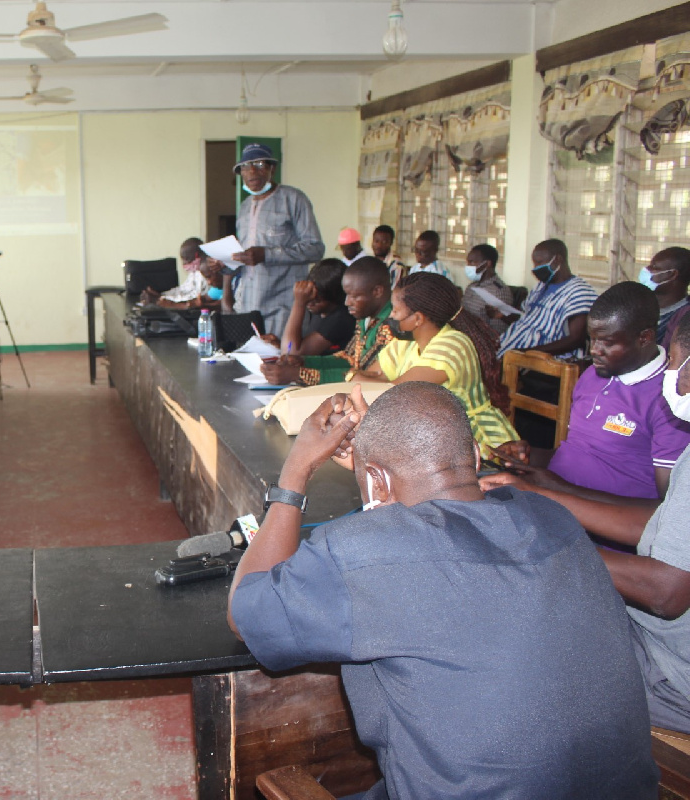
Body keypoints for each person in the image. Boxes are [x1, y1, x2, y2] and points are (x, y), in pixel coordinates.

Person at [228, 381, 658, 799]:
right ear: (472, 455)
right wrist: (378, 479)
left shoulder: (361, 554)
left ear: (377, 482)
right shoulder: (553, 517)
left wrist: (296, 472)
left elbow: (245, 615)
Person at [483, 311, 690, 732]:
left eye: (674, 362)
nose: (673, 377)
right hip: (663, 639)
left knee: (513, 654)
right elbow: (660, 522)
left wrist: (541, 536)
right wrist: (540, 495)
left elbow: (666, 591)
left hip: (671, 671)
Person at [493, 282, 690, 501]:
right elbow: (576, 453)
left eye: (607, 342)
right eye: (592, 339)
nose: (594, 350)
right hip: (552, 499)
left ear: (644, 338)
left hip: (601, 528)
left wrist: (561, 490)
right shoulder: (593, 375)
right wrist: (530, 456)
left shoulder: (672, 400)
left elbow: (664, 511)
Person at [361, 272, 516, 454]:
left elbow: (395, 393)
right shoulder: (405, 344)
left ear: (417, 319)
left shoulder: (452, 345)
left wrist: (355, 377)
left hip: (476, 445)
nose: (391, 316)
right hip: (436, 439)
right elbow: (372, 378)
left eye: (395, 310)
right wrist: (361, 379)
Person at [227, 143, 325, 336]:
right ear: (241, 174)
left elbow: (315, 249)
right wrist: (224, 261)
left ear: (273, 169)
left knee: (281, 361)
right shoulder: (245, 206)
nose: (252, 171)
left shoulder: (294, 199)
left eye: (260, 164)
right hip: (247, 304)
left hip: (283, 305)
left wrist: (268, 254)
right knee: (248, 362)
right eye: (246, 166)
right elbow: (245, 255)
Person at [260, 257, 393, 386]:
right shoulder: (365, 318)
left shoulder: (391, 325)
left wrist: (299, 374)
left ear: (377, 291)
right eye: (347, 295)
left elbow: (365, 374)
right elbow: (349, 359)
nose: (347, 302)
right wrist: (303, 361)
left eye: (354, 296)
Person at [496, 238, 598, 359]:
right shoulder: (541, 286)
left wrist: (528, 352)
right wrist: (502, 315)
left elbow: (576, 339)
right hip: (513, 347)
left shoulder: (579, 292)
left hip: (545, 359)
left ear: (558, 259)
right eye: (534, 263)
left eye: (540, 263)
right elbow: (526, 319)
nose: (535, 268)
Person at [267, 258, 355, 356]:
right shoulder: (320, 311)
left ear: (335, 298)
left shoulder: (340, 319)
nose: (309, 303)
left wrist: (299, 303)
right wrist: (279, 344)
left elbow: (291, 353)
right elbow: (293, 347)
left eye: (317, 300)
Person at [140, 238, 220, 308]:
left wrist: (162, 300)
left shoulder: (208, 272)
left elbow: (194, 298)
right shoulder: (194, 272)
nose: (184, 263)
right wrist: (161, 295)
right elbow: (183, 289)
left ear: (197, 255)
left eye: (186, 258)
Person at [460, 243, 515, 337]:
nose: (468, 266)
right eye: (468, 262)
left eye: (472, 262)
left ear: (487, 264)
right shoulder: (472, 286)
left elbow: (497, 332)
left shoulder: (498, 292)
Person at [640, 246, 690, 347]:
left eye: (654, 267)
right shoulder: (639, 305)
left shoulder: (685, 319)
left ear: (672, 275)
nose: (646, 270)